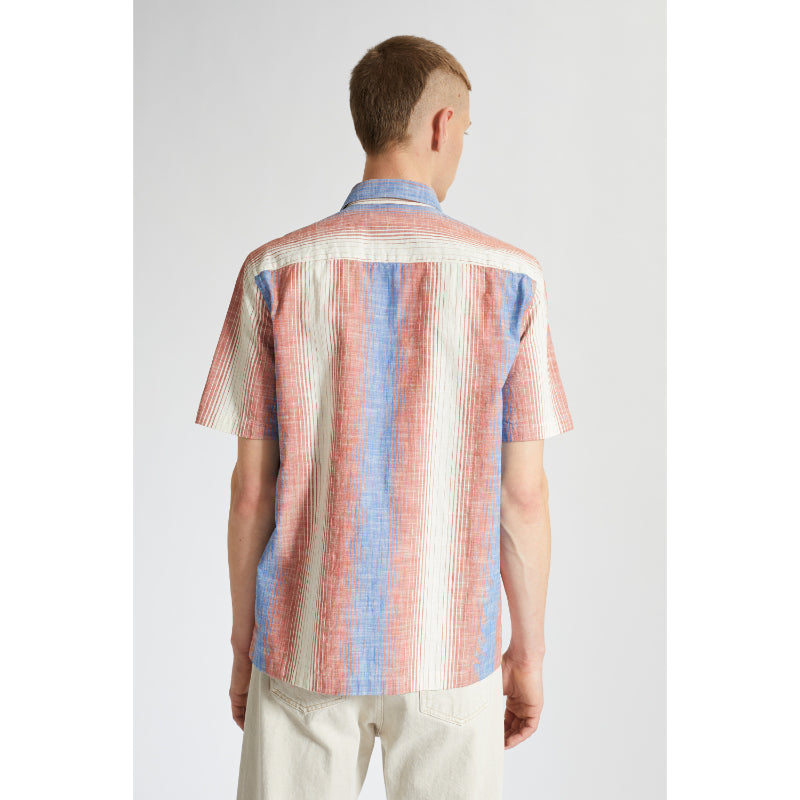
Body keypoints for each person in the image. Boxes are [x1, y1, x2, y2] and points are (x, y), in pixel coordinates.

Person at [195, 33, 574, 800]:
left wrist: (243, 645)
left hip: (306, 646)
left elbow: (250, 493)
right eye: (465, 131)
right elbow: (523, 496)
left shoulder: (274, 272)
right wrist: (528, 657)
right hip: (450, 651)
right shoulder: (514, 279)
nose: (460, 148)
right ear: (441, 124)